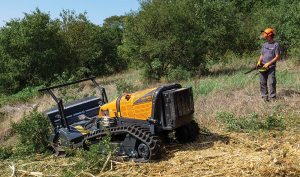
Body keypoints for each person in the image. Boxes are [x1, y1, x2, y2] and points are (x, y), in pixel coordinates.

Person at [257, 28, 281, 102]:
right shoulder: (264, 44)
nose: (265, 37)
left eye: (267, 36)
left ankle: (273, 98)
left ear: (271, 35)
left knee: (272, 82)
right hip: (263, 67)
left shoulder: (276, 45)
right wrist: (259, 61)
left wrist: (269, 63)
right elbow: (262, 55)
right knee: (262, 82)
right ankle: (264, 98)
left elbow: (277, 57)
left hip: (271, 67)